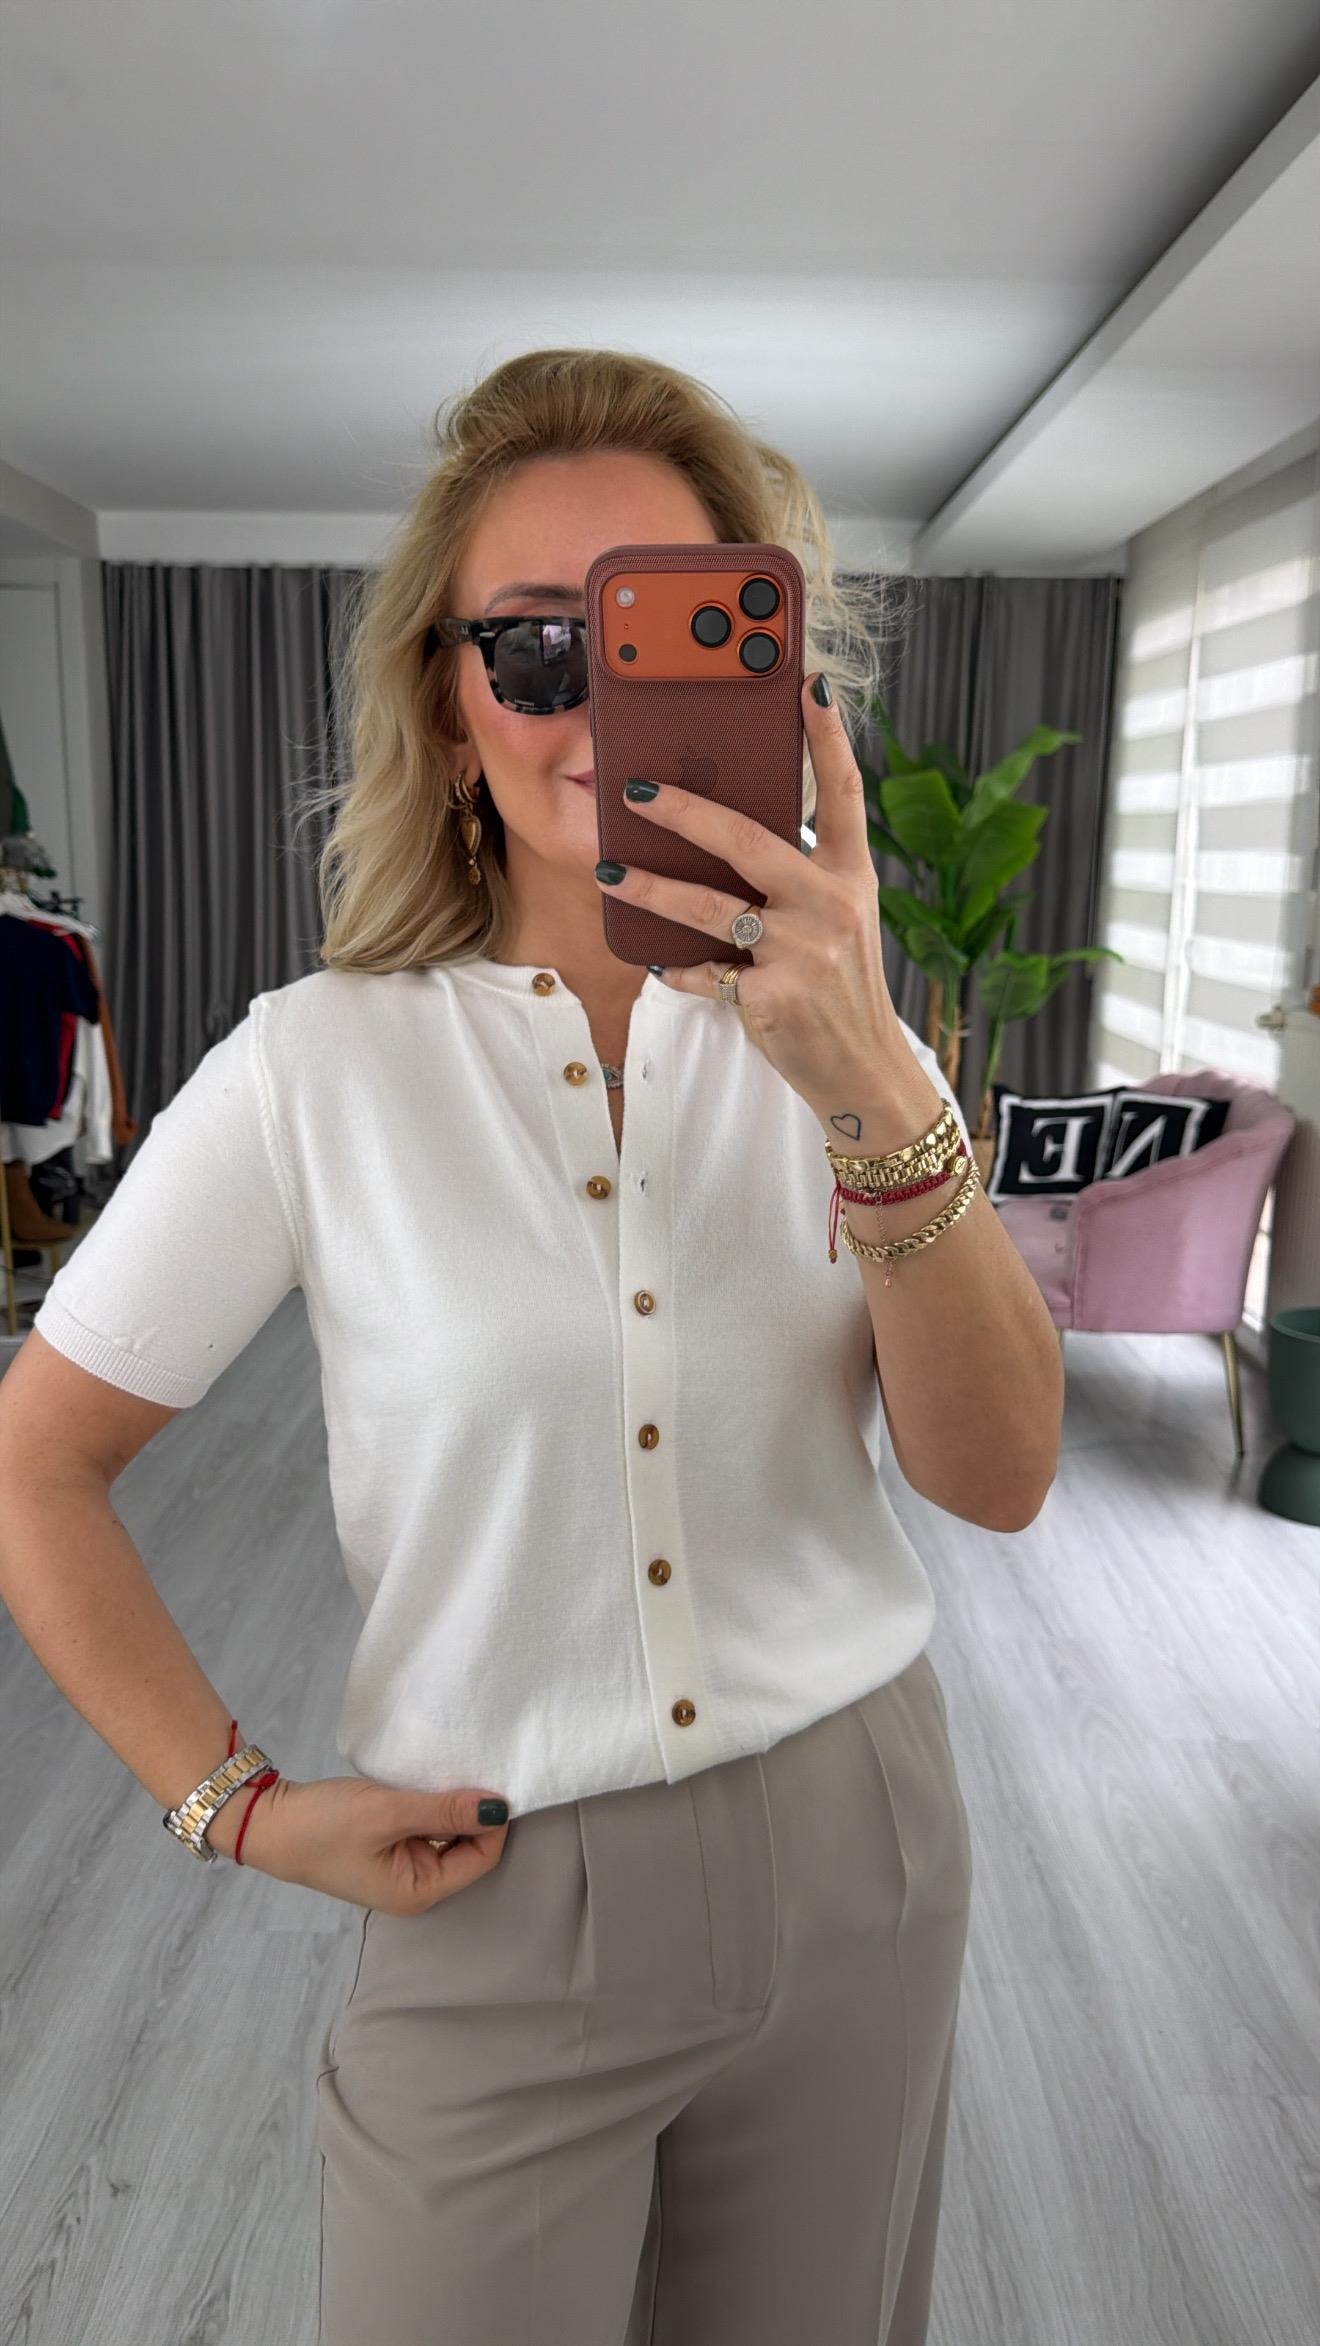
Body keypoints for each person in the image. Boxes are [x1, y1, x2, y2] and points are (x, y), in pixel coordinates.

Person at [0, 346, 1063, 2345]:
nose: (598, 706)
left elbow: (998, 1478)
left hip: (862, 1851)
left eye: (678, 633)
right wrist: (237, 1805)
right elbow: (34, 1458)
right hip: (490, 1894)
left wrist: (861, 1077)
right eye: (538, 647)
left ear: (778, 681)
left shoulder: (855, 1042)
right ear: (449, 699)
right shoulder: (311, 1070)